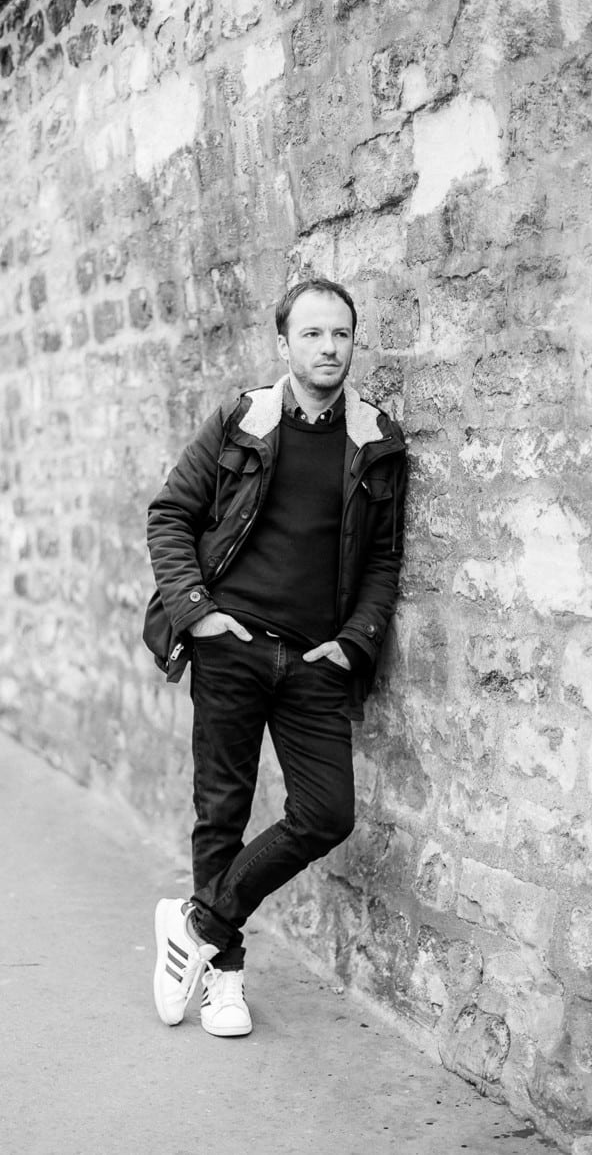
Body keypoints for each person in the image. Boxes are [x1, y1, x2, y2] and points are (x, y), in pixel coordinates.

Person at [142, 277, 407, 1038]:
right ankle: (225, 981)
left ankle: (196, 925)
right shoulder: (242, 420)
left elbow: (384, 563)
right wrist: (200, 616)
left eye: (342, 335)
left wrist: (354, 642)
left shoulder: (377, 442)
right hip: (233, 646)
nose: (329, 348)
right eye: (314, 334)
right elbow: (170, 515)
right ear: (284, 342)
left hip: (316, 661)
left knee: (327, 813)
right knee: (220, 812)